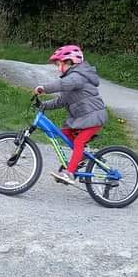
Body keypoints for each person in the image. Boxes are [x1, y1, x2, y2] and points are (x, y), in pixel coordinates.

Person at [33, 45, 108, 185]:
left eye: (59, 64)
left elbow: (63, 84)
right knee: (64, 133)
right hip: (83, 118)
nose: (57, 68)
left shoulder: (78, 76)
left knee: (79, 141)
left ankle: (70, 173)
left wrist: (45, 88)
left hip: (93, 117)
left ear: (69, 62)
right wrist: (43, 105)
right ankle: (82, 157)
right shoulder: (72, 78)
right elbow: (62, 101)